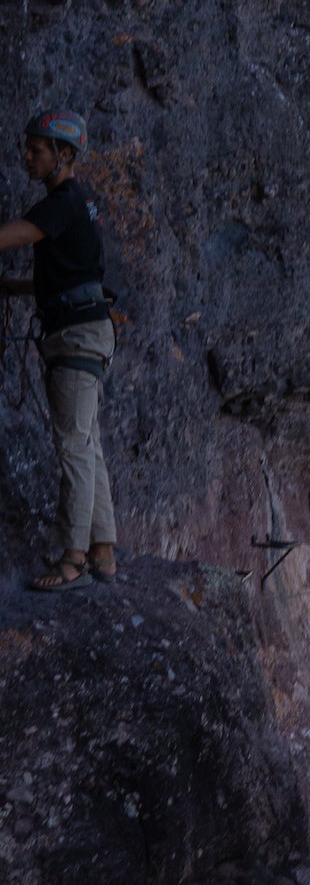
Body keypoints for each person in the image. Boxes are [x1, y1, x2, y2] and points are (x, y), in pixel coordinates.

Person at [0, 110, 118, 592]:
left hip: (75, 336)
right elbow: (71, 275)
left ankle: (72, 556)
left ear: (64, 155)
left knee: (73, 445)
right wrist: (16, 288)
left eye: (37, 149)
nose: (26, 156)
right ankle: (103, 552)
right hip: (85, 329)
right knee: (87, 443)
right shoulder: (78, 201)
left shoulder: (64, 201)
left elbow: (14, 236)